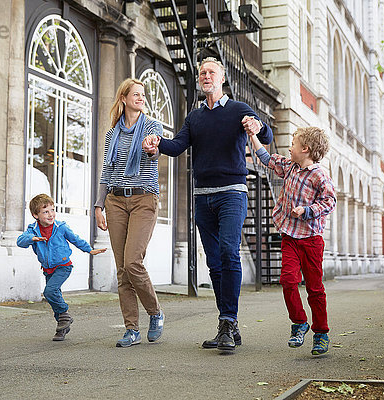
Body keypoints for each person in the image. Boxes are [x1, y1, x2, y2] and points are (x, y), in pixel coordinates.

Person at [142, 57, 273, 352]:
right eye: (202, 72)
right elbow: (176, 147)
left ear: (222, 78)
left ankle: (228, 321)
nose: (205, 75)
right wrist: (157, 142)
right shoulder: (195, 117)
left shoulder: (239, 110)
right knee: (213, 262)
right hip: (203, 196)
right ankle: (228, 323)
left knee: (229, 251)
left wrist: (258, 124)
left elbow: (267, 135)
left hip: (232, 193)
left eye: (211, 71)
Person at [249, 126, 336, 355]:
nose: (290, 147)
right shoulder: (290, 167)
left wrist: (308, 211)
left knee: (315, 288)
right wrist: (253, 137)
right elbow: (267, 158)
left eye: (293, 144)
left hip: (311, 240)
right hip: (289, 236)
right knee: (288, 280)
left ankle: (321, 333)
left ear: (305, 149)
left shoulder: (319, 175)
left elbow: (330, 202)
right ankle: (299, 323)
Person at [94, 78, 165, 348]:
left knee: (133, 261)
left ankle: (155, 313)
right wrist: (99, 205)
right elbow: (106, 172)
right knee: (123, 269)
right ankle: (131, 329)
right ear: (123, 98)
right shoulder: (113, 134)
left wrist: (151, 148)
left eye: (143, 95)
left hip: (143, 199)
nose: (141, 98)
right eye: (136, 94)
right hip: (115, 201)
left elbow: (154, 151)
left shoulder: (151, 126)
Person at [17, 194, 106, 341]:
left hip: (63, 266)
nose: (51, 214)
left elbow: (75, 239)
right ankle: (62, 326)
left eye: (52, 210)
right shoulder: (33, 229)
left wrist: (90, 250)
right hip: (47, 268)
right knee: (54, 295)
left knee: (49, 291)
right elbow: (20, 241)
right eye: (45, 212)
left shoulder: (61, 227)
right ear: (35, 215)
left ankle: (64, 314)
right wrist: (31, 238)